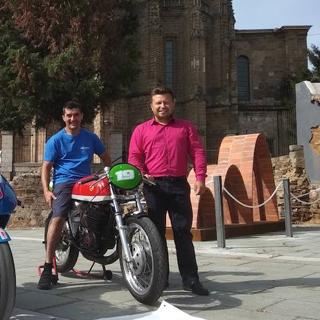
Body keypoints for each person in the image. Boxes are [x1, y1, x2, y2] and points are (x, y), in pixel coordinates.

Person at [128, 86, 209, 296]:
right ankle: (160, 278)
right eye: (158, 103)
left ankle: (191, 280)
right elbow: (134, 156)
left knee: (183, 233)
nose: (162, 106)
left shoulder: (186, 128)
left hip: (178, 185)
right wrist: (141, 173)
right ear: (151, 106)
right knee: (156, 234)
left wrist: (200, 177)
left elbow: (198, 152)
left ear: (173, 104)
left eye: (166, 102)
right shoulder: (141, 130)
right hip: (153, 186)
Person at [39, 101, 112, 290]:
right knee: (58, 217)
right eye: (69, 115)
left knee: (105, 206)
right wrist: (47, 191)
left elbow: (106, 158)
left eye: (76, 115)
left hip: (87, 181)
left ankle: (96, 244)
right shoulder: (55, 140)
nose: (73, 119)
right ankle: (48, 266)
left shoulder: (91, 137)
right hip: (64, 182)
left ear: (82, 116)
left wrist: (108, 174)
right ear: (63, 117)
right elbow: (46, 167)